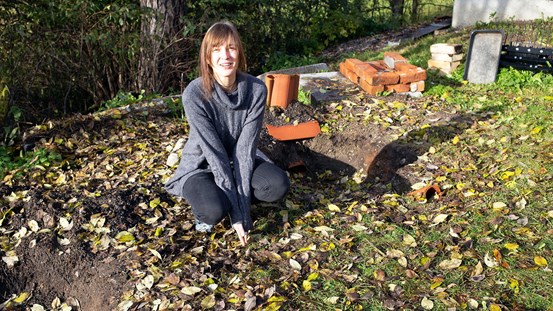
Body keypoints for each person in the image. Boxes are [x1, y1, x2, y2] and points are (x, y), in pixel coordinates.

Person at [165, 21, 290, 246]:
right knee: (213, 211)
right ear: (207, 58)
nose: (225, 55)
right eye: (217, 49)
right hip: (203, 165)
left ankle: (230, 196)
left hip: (239, 161)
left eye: (231, 48)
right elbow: (214, 154)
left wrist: (242, 215)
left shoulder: (256, 89)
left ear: (239, 52)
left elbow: (244, 151)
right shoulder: (194, 94)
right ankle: (213, 200)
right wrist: (236, 213)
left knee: (277, 185)